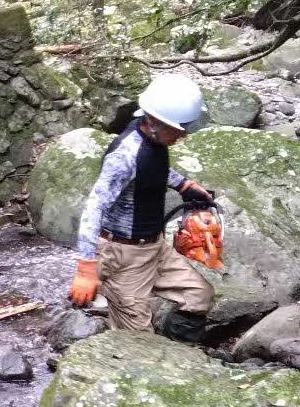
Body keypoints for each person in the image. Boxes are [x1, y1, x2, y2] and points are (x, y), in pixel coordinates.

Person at [68, 73, 216, 340]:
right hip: (123, 256)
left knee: (198, 296)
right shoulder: (123, 155)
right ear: (157, 122)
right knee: (138, 341)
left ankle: (181, 358)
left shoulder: (154, 137)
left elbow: (150, 167)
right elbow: (94, 207)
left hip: (154, 248)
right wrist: (86, 269)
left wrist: (183, 184)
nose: (184, 134)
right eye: (180, 128)